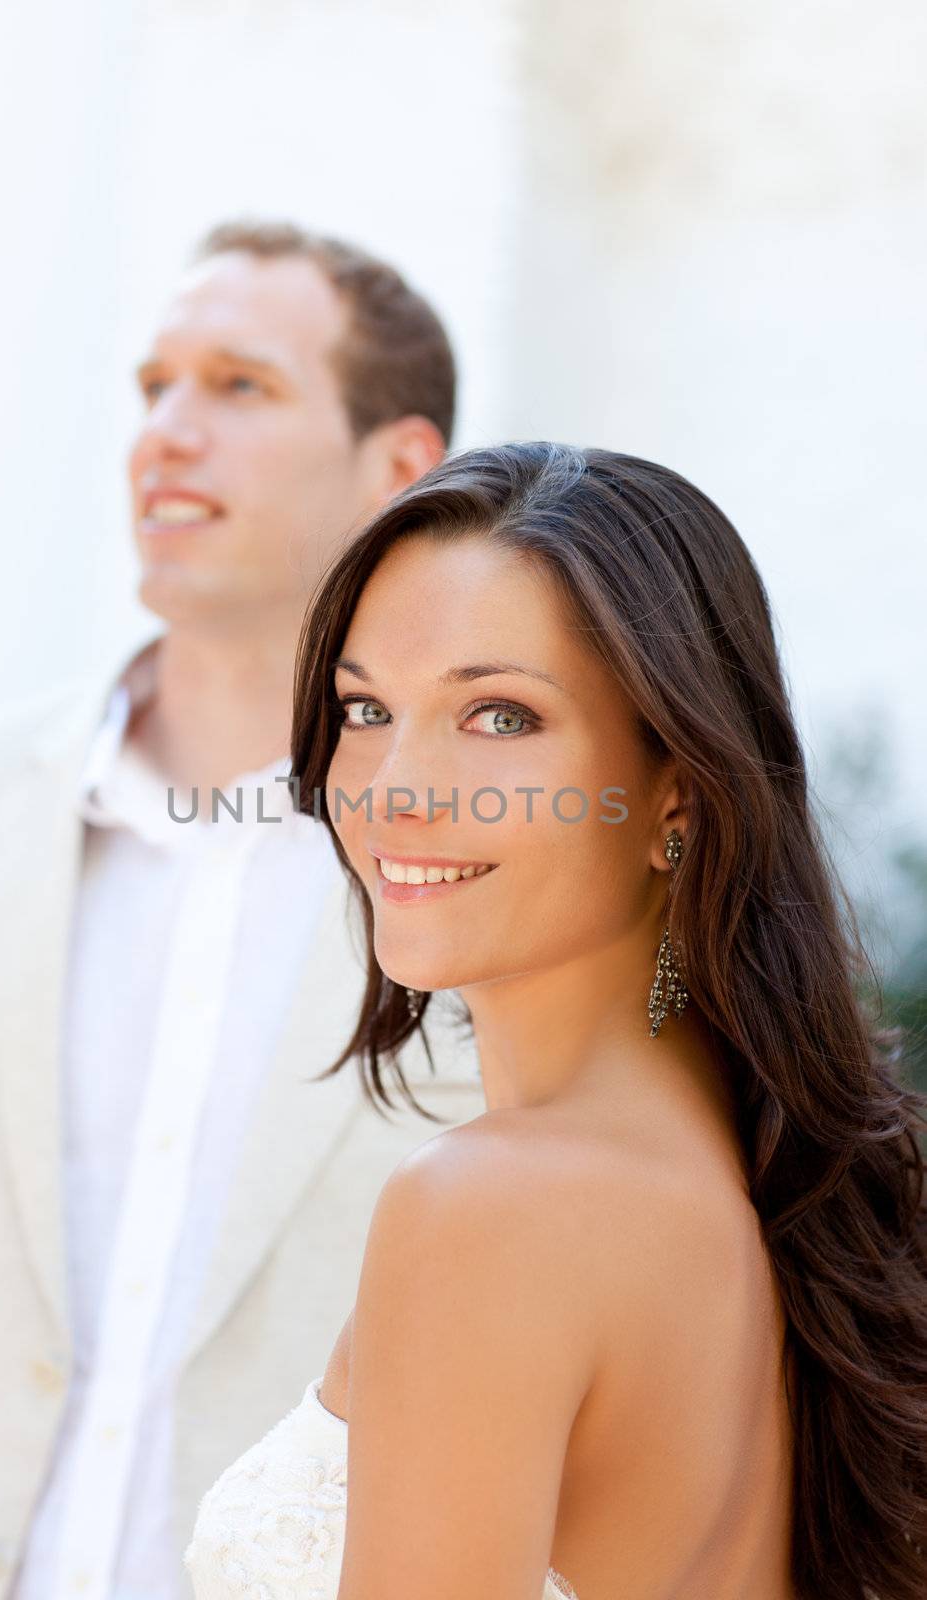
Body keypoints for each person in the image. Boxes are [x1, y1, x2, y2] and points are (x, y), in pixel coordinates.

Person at [0, 222, 486, 1600]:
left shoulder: (495, 857)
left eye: (238, 387)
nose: (166, 433)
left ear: (400, 467)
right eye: (153, 388)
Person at [186, 442, 927, 1600]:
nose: (391, 787)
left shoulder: (487, 1213)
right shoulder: (752, 1185)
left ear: (673, 798)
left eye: (496, 717)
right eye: (366, 707)